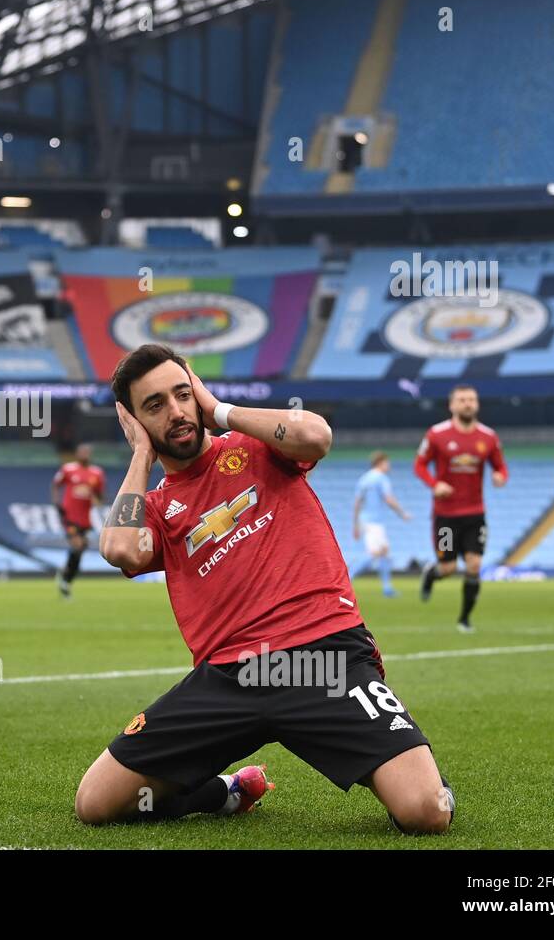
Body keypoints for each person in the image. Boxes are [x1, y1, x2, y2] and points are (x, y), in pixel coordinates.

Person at [76, 343, 452, 835]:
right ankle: (225, 793)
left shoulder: (256, 448)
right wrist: (142, 454)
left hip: (322, 657)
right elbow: (121, 548)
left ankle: (423, 773)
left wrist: (221, 411)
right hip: (228, 679)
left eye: (182, 394)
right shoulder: (156, 507)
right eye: (155, 406)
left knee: (425, 812)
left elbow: (315, 436)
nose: (176, 412)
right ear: (133, 421)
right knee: (96, 803)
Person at [414, 385, 507, 632]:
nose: (468, 404)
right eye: (462, 400)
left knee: (474, 565)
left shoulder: (489, 437)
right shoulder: (436, 434)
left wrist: (500, 476)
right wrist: (435, 485)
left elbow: (501, 466)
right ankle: (432, 574)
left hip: (475, 513)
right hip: (446, 515)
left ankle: (464, 619)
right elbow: (420, 465)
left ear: (477, 404)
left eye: (472, 400)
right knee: (448, 568)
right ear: (452, 405)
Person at [350, 451, 412, 597]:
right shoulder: (381, 478)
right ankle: (347, 576)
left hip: (366, 520)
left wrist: (356, 524)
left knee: (384, 552)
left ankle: (387, 588)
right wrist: (402, 513)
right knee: (374, 554)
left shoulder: (364, 479)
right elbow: (388, 499)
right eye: (387, 463)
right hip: (374, 522)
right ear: (381, 463)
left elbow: (357, 502)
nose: (389, 466)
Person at [51, 443, 105, 598]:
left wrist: (97, 499)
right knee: (78, 545)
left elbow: (100, 494)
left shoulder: (96, 473)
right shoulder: (68, 469)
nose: (85, 454)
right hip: (69, 516)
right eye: (82, 452)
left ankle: (66, 577)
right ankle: (65, 579)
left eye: (87, 452)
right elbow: (55, 485)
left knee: (80, 550)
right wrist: (56, 503)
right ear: (77, 453)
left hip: (84, 519)